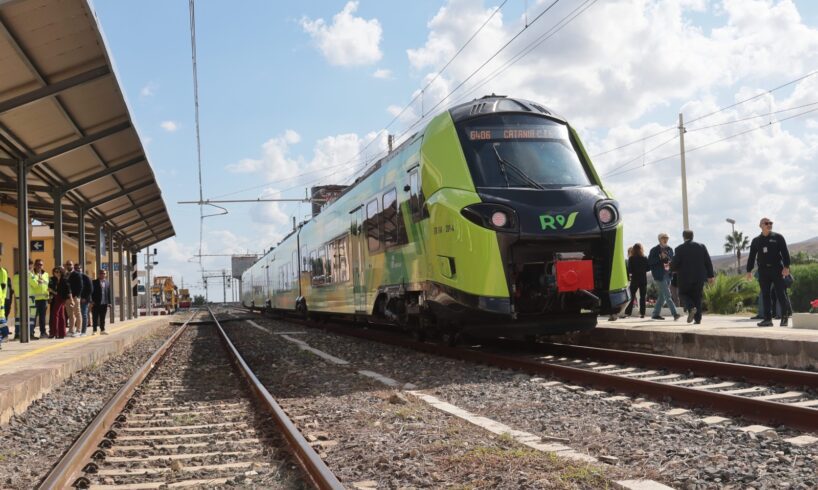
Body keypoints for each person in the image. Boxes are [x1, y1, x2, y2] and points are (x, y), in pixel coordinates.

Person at [746, 218, 791, 327]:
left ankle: (784, 318)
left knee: (781, 293)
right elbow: (752, 256)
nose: (769, 225)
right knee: (765, 294)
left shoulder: (778, 237)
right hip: (763, 270)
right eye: (766, 223)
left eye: (771, 223)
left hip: (777, 269)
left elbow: (785, 253)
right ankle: (767, 319)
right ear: (760, 225)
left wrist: (786, 266)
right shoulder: (756, 241)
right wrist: (749, 270)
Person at [671, 230, 715, 324]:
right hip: (699, 277)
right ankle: (698, 319)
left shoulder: (679, 249)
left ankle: (691, 308)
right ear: (692, 236)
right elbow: (708, 261)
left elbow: (675, 264)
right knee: (697, 297)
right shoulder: (701, 246)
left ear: (683, 237)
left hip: (684, 278)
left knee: (682, 294)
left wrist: (671, 267)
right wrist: (710, 275)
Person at [648, 233, 681, 321]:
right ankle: (675, 314)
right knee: (668, 294)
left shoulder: (670, 249)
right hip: (659, 275)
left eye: (667, 238)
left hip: (668, 275)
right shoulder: (654, 250)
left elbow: (671, 260)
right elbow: (650, 262)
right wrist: (660, 258)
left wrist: (669, 261)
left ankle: (655, 314)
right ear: (659, 239)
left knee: (662, 296)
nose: (665, 239)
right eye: (663, 238)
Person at [12, 259, 38, 340]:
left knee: (19, 316)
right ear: (29, 265)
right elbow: (35, 284)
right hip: (29, 298)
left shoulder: (16, 274)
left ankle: (17, 334)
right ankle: (30, 334)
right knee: (31, 316)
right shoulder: (29, 274)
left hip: (18, 298)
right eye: (31, 265)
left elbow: (14, 287)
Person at [623, 243, 649, 318]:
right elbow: (648, 268)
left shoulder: (631, 258)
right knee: (642, 297)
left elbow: (630, 270)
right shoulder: (645, 258)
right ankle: (642, 313)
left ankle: (628, 313)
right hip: (643, 279)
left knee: (631, 296)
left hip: (635, 279)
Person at [48, 266, 69, 339]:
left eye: (58, 271)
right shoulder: (56, 280)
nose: (56, 273)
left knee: (55, 314)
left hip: (61, 299)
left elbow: (67, 290)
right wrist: (52, 292)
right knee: (60, 315)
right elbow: (57, 292)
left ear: (61, 272)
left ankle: (54, 332)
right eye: (55, 271)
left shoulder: (64, 280)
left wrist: (51, 291)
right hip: (58, 298)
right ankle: (61, 333)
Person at [32, 259, 50, 339]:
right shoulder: (32, 274)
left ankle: (43, 333)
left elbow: (47, 285)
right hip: (34, 299)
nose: (40, 266)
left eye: (41, 264)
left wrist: (49, 296)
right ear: (35, 265)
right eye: (38, 264)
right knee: (33, 317)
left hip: (44, 299)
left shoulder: (46, 274)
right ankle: (31, 333)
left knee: (42, 317)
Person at [64, 260, 83, 337]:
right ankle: (71, 330)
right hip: (67, 298)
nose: (69, 266)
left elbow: (80, 286)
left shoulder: (77, 274)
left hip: (75, 297)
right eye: (67, 264)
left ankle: (79, 330)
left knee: (77, 313)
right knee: (70, 315)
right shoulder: (65, 275)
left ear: (72, 266)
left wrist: (76, 296)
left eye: (70, 264)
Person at [91, 269, 112, 335]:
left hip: (104, 303)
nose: (103, 274)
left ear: (105, 275)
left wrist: (109, 302)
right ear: (99, 274)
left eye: (104, 273)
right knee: (95, 317)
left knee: (102, 317)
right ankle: (94, 330)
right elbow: (91, 292)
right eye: (101, 273)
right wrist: (91, 301)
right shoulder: (94, 282)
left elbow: (109, 293)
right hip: (96, 302)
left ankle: (102, 330)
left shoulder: (107, 282)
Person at [75, 263, 93, 336]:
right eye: (76, 268)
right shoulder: (73, 277)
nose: (78, 269)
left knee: (84, 314)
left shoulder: (86, 277)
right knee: (77, 315)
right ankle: (77, 330)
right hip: (76, 298)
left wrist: (85, 298)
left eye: (79, 268)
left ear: (82, 269)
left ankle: (83, 331)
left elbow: (90, 289)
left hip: (84, 299)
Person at [0, 257, 8, 348]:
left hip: (0, 300)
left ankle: (4, 335)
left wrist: (2, 300)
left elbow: (3, 287)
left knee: (1, 321)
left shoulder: (2, 272)